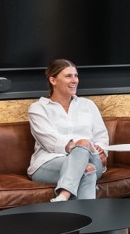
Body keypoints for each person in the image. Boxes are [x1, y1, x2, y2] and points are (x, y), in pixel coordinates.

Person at [26, 57, 107, 199]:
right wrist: (81, 147)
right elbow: (49, 141)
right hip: (49, 162)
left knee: (85, 148)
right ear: (53, 80)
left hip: (92, 157)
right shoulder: (38, 108)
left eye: (76, 76)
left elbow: (101, 136)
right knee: (87, 169)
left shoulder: (88, 105)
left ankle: (63, 196)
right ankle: (88, 213)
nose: (74, 80)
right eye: (68, 76)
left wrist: (102, 150)